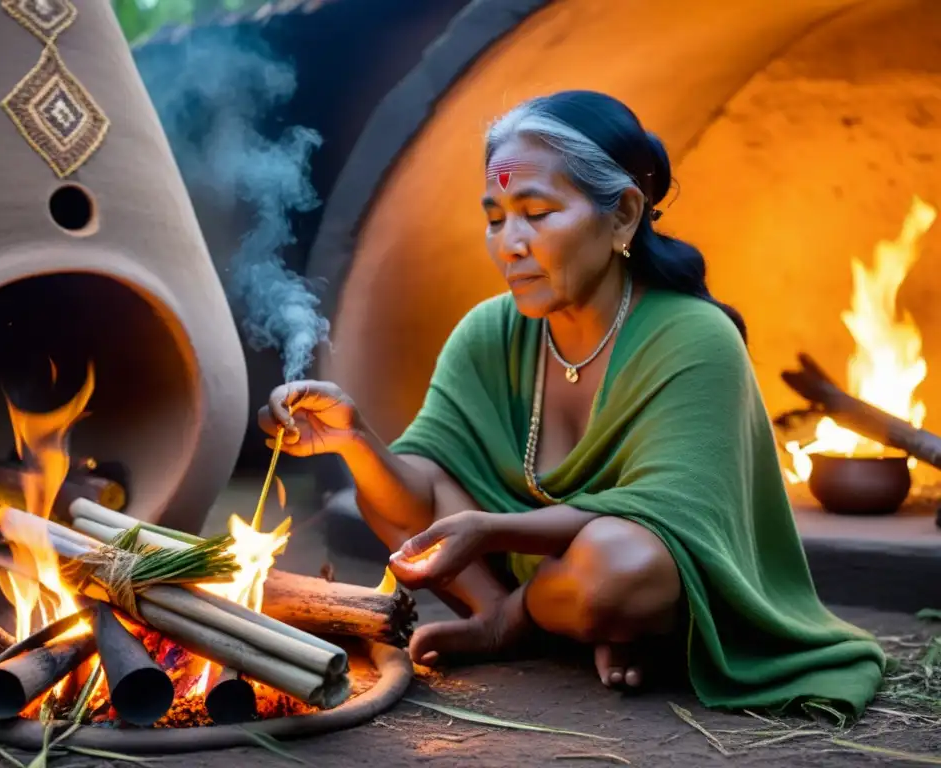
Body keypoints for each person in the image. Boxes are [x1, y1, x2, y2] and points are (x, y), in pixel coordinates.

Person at [259, 90, 885, 718]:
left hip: (648, 588)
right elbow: (418, 492)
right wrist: (354, 438)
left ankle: (514, 625)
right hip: (561, 589)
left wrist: (495, 537)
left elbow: (669, 518)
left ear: (623, 217)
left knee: (620, 564)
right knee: (395, 496)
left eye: (536, 211)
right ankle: (564, 623)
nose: (510, 243)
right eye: (496, 216)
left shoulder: (696, 336)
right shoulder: (488, 332)